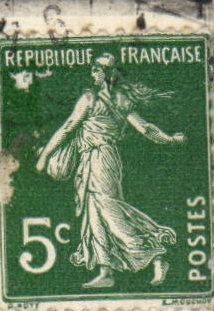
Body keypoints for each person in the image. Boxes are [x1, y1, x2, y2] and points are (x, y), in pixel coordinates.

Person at [34, 53, 183, 287]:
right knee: (94, 213)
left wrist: (44, 156)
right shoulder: (122, 101)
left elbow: (67, 128)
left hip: (100, 158)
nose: (92, 74)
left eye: (96, 69)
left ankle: (156, 254)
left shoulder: (90, 98)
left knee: (109, 210)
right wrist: (170, 139)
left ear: (105, 73)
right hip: (95, 159)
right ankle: (106, 272)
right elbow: (147, 130)